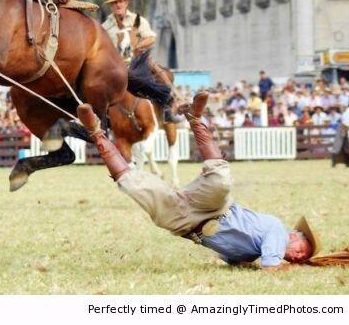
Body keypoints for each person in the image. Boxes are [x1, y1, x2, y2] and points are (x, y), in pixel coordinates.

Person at [76, 92, 319, 270]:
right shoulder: (278, 231)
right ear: (294, 234)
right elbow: (271, 269)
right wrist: (303, 267)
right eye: (301, 249)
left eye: (300, 258)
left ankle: (96, 132)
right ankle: (195, 118)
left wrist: (240, 263)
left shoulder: (253, 252)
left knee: (132, 184)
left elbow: (231, 256)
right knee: (221, 179)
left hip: (186, 224)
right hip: (214, 208)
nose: (297, 256)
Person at [102, 0, 184, 124]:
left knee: (163, 75)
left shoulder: (137, 20)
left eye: (120, 1)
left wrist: (137, 46)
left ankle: (167, 108)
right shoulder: (105, 26)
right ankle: (102, 117)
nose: (118, 5)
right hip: (115, 66)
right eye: (114, 2)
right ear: (111, 5)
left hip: (137, 60)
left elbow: (151, 38)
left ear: (126, 2)